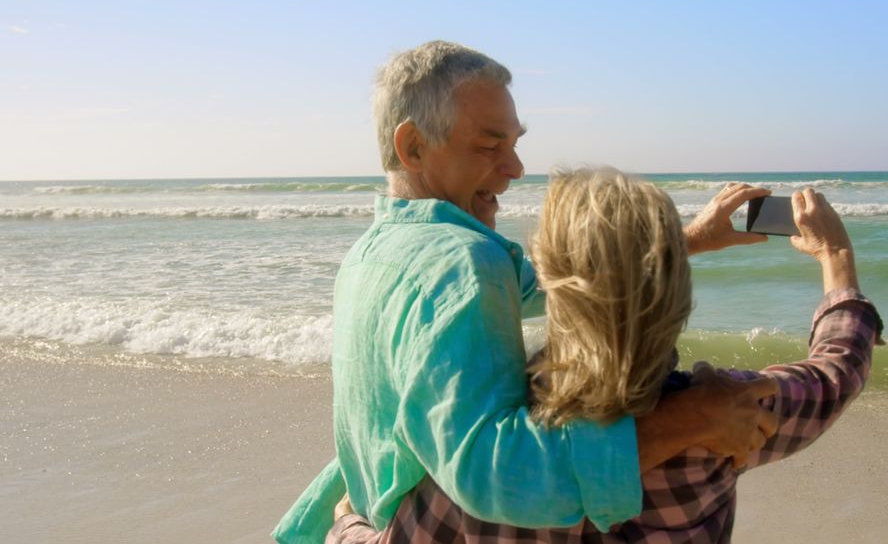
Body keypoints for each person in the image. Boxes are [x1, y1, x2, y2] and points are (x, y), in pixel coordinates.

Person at [273, 41, 781, 544]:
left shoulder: (371, 253)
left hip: (374, 519)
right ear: (413, 148)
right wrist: (689, 418)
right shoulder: (464, 261)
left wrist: (684, 239)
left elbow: (554, 283)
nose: (515, 167)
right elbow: (499, 475)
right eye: (490, 146)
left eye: (514, 144)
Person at [326, 168, 884, 543]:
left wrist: (348, 524)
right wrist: (835, 257)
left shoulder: (483, 443)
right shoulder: (727, 419)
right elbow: (835, 370)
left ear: (547, 279)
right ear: (676, 290)